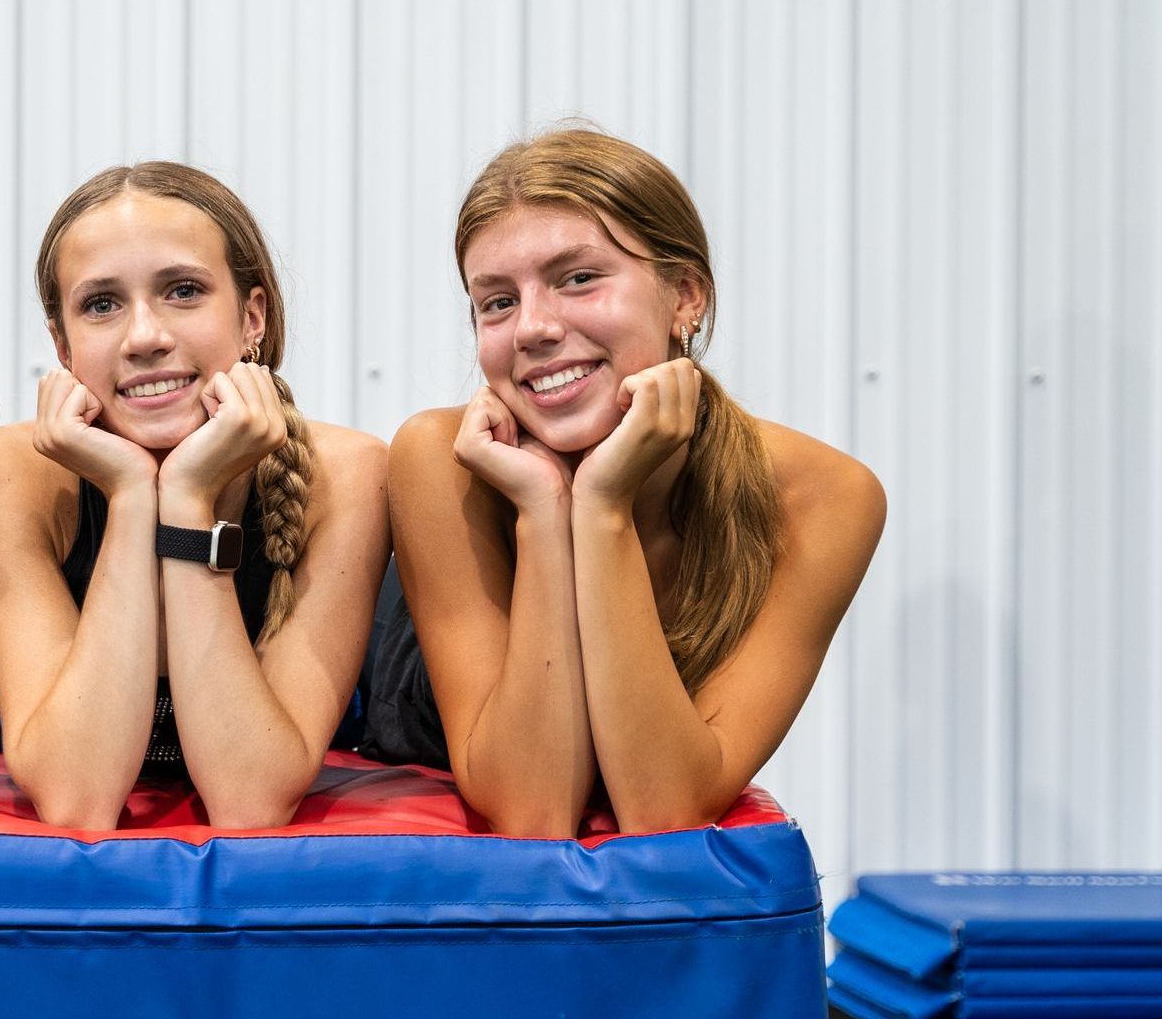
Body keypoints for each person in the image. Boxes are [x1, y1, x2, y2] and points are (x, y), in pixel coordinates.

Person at [374, 129, 884, 836]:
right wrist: (543, 508)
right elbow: (531, 808)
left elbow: (665, 807)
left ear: (685, 295)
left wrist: (603, 505)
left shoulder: (823, 496)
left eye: (578, 278)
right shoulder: (441, 457)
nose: (533, 328)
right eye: (496, 303)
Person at [0, 163, 390, 829]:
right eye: (101, 304)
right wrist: (134, 496)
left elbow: (250, 800)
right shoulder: (18, 471)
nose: (144, 337)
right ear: (62, 346)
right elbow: (77, 797)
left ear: (253, 317)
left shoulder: (348, 474)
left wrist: (186, 499)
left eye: (183, 291)